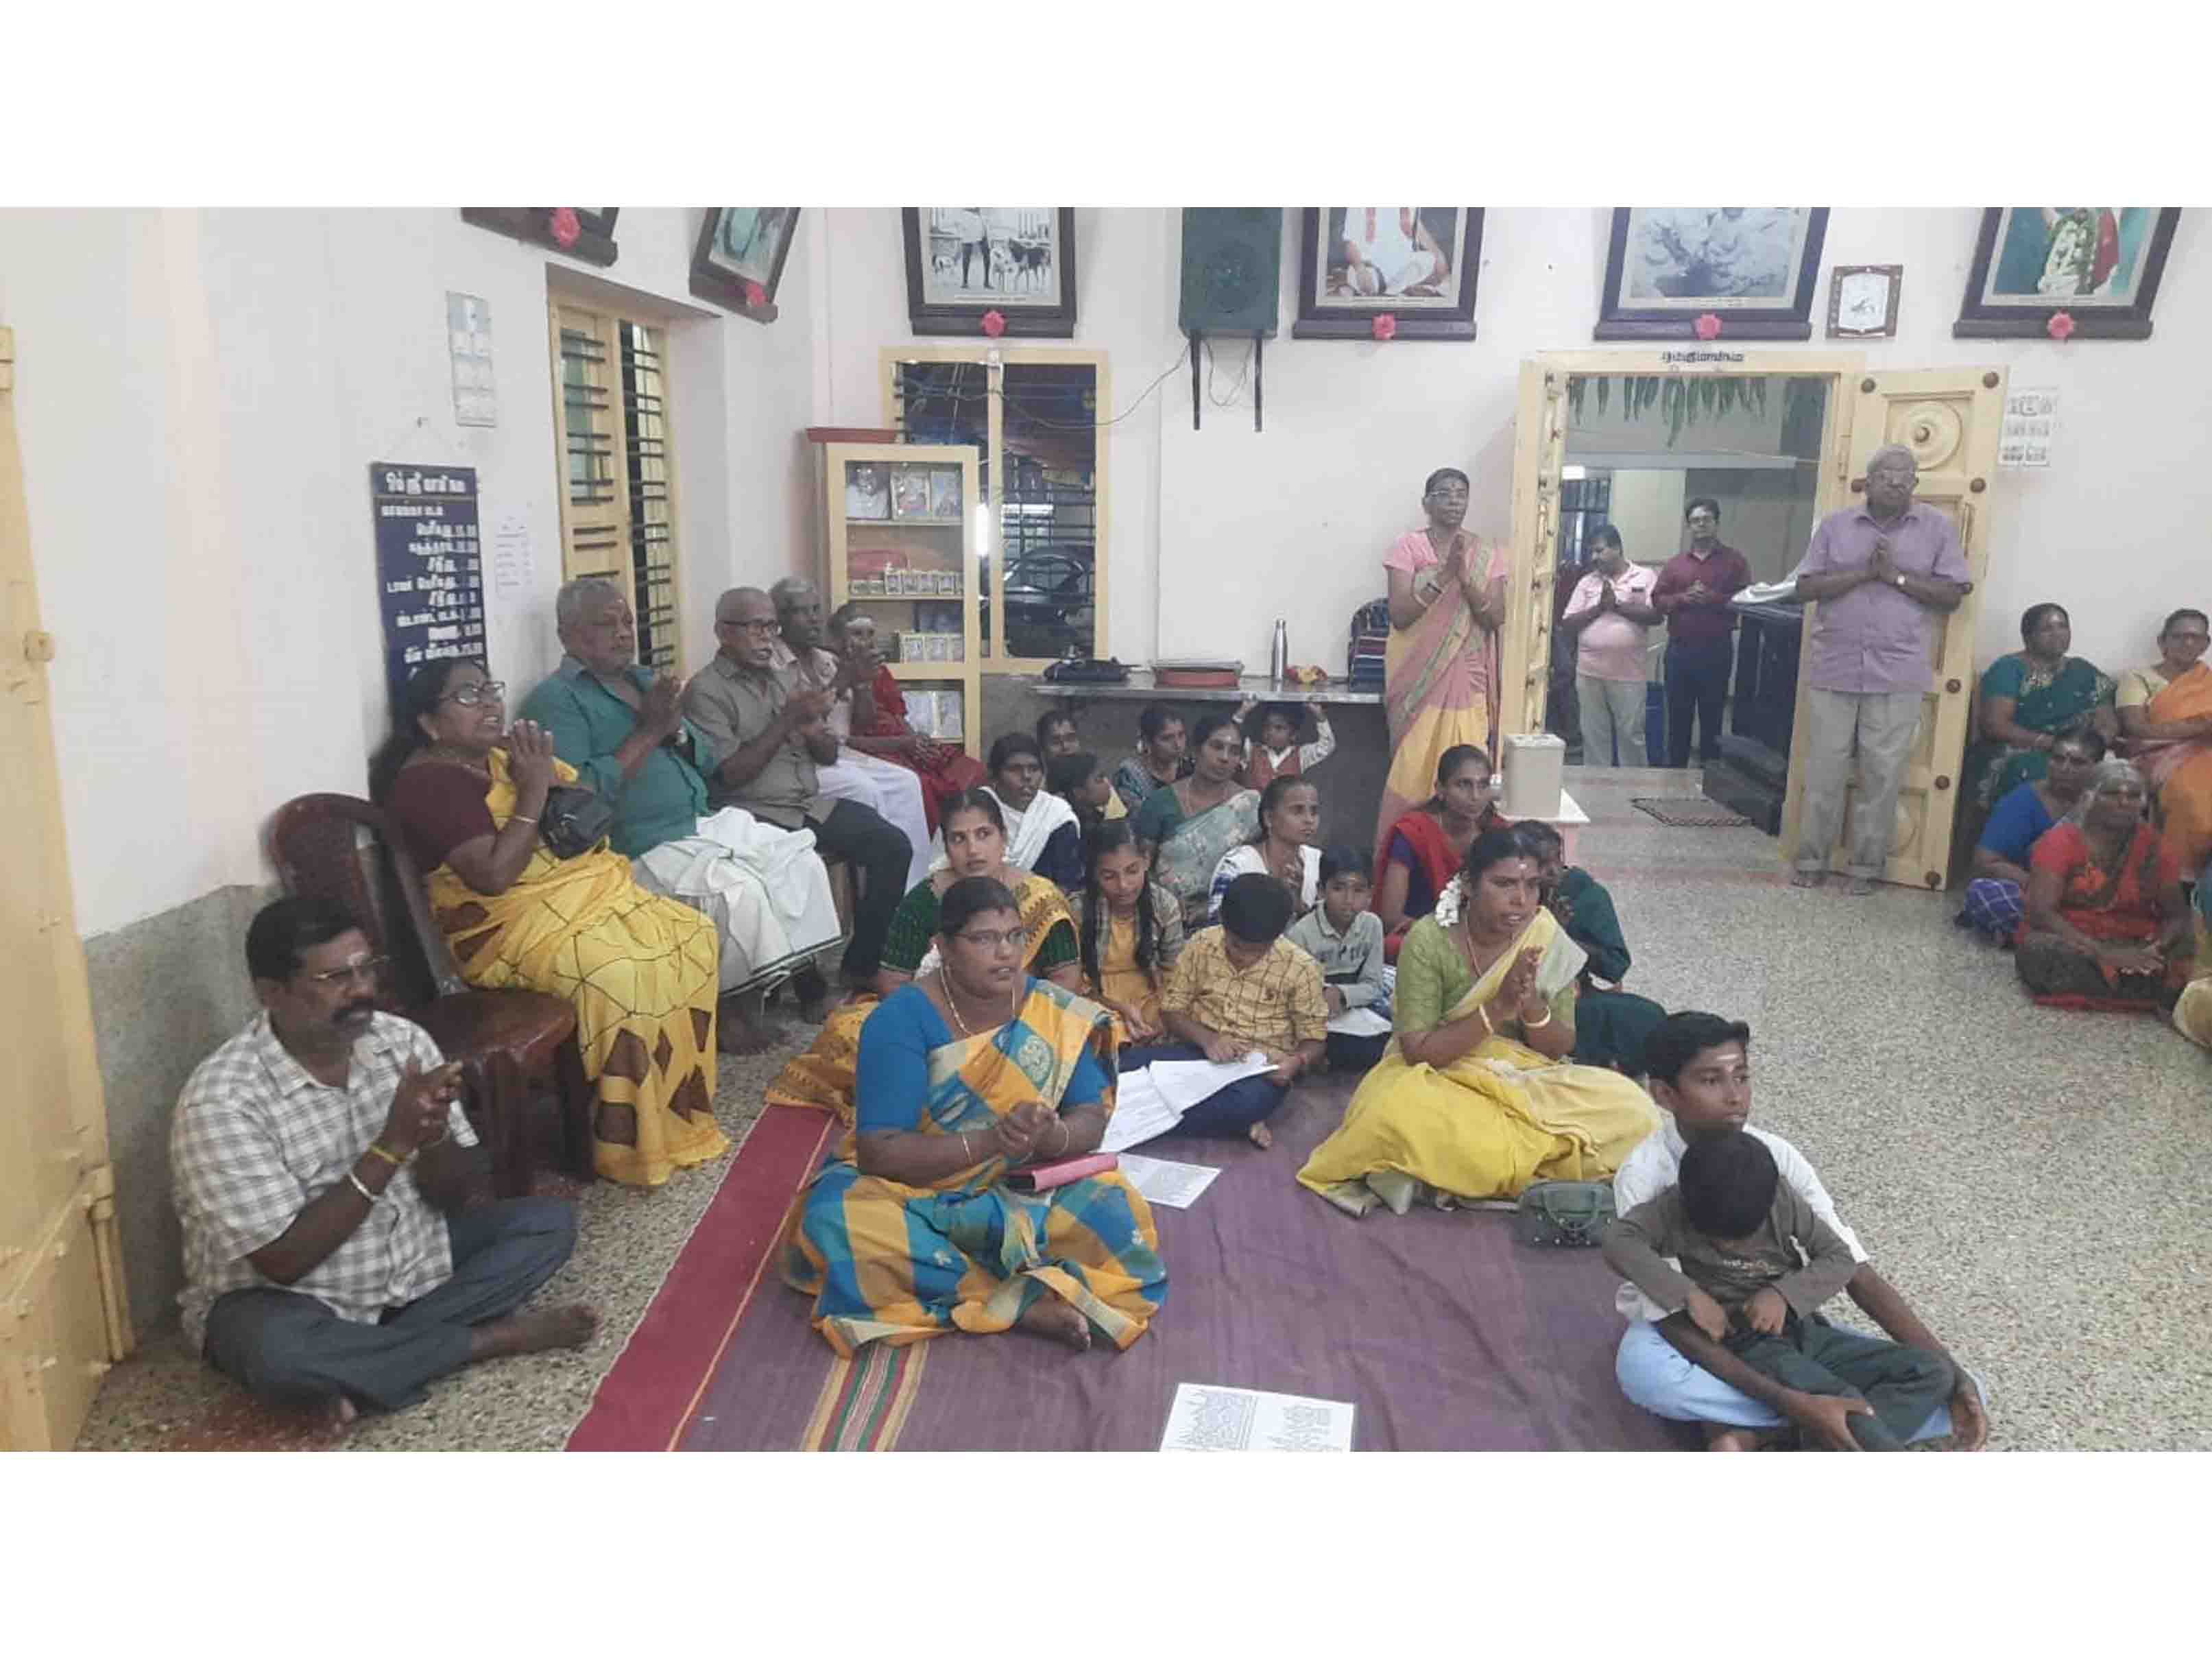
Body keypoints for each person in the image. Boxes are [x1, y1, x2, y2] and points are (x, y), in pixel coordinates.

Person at [169, 898, 596, 1426]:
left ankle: (359, 1365)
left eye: (366, 968)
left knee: (548, 1225)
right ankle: (485, 1340)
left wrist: (434, 1137)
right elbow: (283, 1260)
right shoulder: (223, 1101)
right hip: (291, 1298)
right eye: (335, 978)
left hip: (407, 1263)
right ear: (271, 993)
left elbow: (454, 1197)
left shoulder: (401, 1041)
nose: (361, 990)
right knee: (276, 1348)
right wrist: (391, 1146)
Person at [374, 660, 729, 1187]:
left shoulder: (502, 757)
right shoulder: (427, 783)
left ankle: (675, 1112)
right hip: (501, 932)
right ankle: (625, 1136)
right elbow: (494, 876)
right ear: (428, 722)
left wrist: (547, 782)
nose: (489, 703)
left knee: (690, 934)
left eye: (490, 689)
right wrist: (534, 791)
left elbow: (581, 805)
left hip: (566, 902)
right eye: (467, 695)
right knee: (619, 974)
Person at [782, 876, 1167, 1356]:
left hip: (1026, 1191)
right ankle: (1019, 1304)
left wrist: (1052, 1137)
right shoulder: (900, 1018)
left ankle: (972, 1285)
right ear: (943, 947)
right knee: (837, 1222)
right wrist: (991, 1142)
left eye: (1015, 936)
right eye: (984, 939)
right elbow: (879, 1153)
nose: (1005, 952)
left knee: (1115, 1205)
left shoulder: (1050, 1010)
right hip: (918, 1195)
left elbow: (1090, 1117)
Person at [1612, 1012, 1986, 1451]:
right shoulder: (1646, 1176)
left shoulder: (1776, 1158)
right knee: (1646, 1374)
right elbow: (1671, 1317)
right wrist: (1789, 1400)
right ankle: (1816, 1423)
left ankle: (1771, 1435)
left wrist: (1956, 1377)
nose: (1735, 1097)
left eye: (1742, 1077)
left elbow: (1851, 1265)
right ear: (1664, 1094)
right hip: (1697, 1333)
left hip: (1787, 1328)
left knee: (1954, 1382)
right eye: (1712, 1081)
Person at [515, 578, 841, 1053]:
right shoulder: (556, 700)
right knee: (738, 893)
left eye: (628, 622)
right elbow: (576, 797)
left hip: (698, 821)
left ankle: (759, 994)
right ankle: (727, 1009)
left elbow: (705, 758)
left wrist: (675, 731)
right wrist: (649, 731)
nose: (623, 633)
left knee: (799, 860)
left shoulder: (643, 681)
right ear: (568, 635)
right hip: (637, 842)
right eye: (606, 624)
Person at [1296, 830, 1657, 1217]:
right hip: (1435, 1076)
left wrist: (1530, 1002)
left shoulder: (1545, 934)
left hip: (1523, 1075)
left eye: (1531, 886)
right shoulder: (1429, 940)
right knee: (1392, 1114)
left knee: (1634, 1109)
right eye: (1504, 884)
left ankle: (1488, 1167)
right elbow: (1417, 1050)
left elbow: (1558, 1049)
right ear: (1469, 884)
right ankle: (1537, 1163)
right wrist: (1497, 1007)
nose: (1521, 900)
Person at [1604, 1129, 1954, 1453]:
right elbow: (1618, 1240)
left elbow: (1839, 1258)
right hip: (1750, 1344)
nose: (1732, 1248)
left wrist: (1783, 1295)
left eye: (1746, 1236)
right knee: (1844, 1402)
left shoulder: (1782, 1198)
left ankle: (1792, 1441)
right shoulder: (1670, 1208)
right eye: (1717, 1239)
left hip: (1806, 1330)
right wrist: (1688, 1294)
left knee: (1935, 1372)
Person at [766, 790, 1082, 1120]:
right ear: (946, 846)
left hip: (1022, 1016)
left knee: (1065, 1039)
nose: (973, 850)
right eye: (959, 839)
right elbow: (893, 981)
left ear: (1003, 838)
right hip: (941, 1017)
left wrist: (1012, 1025)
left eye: (983, 834)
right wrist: (941, 1027)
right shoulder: (927, 899)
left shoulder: (1038, 896)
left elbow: (1066, 978)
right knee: (853, 1030)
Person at [681, 586, 913, 997]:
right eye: (755, 627)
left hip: (806, 803)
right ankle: (808, 983)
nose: (766, 638)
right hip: (750, 812)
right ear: (723, 632)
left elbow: (826, 755)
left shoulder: (783, 679)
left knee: (892, 845)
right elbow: (730, 775)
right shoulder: (706, 690)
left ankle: (861, 965)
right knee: (798, 864)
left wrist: (815, 730)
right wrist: (788, 719)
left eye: (771, 627)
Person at [1789, 444, 1973, 894]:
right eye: (1886, 475)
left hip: (1898, 671)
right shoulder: (1835, 526)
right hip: (1835, 667)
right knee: (1824, 772)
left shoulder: (1936, 528)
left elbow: (1953, 595)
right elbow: (1805, 587)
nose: (1895, 482)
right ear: (1867, 482)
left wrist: (1895, 577)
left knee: (1882, 776)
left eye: (1905, 476)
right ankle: (1811, 861)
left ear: (1915, 484)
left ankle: (1866, 869)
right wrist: (1863, 574)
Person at [1125, 873, 1328, 1149]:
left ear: (1276, 937)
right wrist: (1208, 1040)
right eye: (1236, 946)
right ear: (1223, 922)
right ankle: (1222, 1121)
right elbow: (1171, 1012)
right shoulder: (1202, 945)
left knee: (1246, 1103)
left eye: (1257, 951)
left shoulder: (1302, 969)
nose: (1244, 957)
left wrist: (1296, 1062)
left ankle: (1147, 1113)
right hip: (1197, 1053)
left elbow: (1315, 1041)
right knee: (1125, 1067)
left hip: (1256, 1072)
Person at [1376, 467, 1508, 864]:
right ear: (1427, 502)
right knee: (1412, 772)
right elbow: (1400, 615)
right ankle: (1402, 863)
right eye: (1445, 493)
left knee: (1468, 771)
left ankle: (1469, 865)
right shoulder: (1408, 547)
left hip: (1467, 679)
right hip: (1419, 682)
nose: (1454, 500)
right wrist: (1444, 575)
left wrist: (1465, 580)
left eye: (1461, 493)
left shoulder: (1485, 552)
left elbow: (1495, 617)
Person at [769, 577, 933, 887]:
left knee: (906, 783)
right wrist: (845, 678)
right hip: (801, 760)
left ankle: (913, 890)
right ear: (780, 618)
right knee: (864, 789)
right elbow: (803, 718)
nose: (814, 619)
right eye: (803, 612)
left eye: (816, 609)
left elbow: (864, 720)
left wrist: (863, 683)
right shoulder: (772, 662)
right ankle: (872, 891)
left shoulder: (826, 660)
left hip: (840, 754)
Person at [2018, 758, 2192, 1010]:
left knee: (2188, 949)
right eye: (2112, 794)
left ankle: (2133, 982)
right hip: (2075, 938)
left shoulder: (2155, 848)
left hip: (2136, 939)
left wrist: (2156, 948)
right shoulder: (2060, 841)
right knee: (2039, 950)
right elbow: (2041, 913)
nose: (2124, 802)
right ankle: (2142, 988)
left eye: (2133, 796)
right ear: (2088, 798)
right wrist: (2102, 952)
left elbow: (2176, 915)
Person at [1511, 821, 1663, 1075]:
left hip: (1573, 997)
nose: (1553, 870)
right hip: (1513, 1001)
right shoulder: (1508, 895)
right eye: (1542, 864)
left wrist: (1562, 936)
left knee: (1646, 1017)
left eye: (1557, 859)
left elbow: (1615, 966)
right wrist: (1542, 929)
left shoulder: (1583, 895)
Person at [825, 602, 987, 833]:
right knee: (923, 786)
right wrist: (904, 743)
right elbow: (852, 737)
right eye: (857, 634)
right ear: (839, 639)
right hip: (874, 751)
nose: (866, 641)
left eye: (870, 634)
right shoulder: (833, 672)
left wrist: (918, 740)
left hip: (902, 743)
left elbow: (898, 715)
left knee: (969, 770)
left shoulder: (881, 671)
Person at [1962, 604, 2119, 813]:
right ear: (2027, 637)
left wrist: (2092, 746)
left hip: (2081, 750)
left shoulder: (2082, 670)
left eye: (2063, 626)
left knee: (2115, 776)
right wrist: (2050, 743)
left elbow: (2108, 721)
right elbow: (1995, 725)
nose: (2057, 634)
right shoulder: (2009, 668)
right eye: (2047, 629)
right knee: (2041, 772)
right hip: (2020, 749)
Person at [1958, 729, 2103, 942]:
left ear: (2098, 768)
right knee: (1986, 896)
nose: (2064, 769)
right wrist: (2046, 887)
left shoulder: (2108, 801)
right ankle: (2071, 936)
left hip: (2090, 895)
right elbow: (1985, 863)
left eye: (2078, 763)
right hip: (2035, 891)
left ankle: (2051, 936)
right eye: (2058, 759)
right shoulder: (2022, 801)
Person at [1373, 743, 1509, 957]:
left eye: (1483, 785)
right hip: (1424, 935)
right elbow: (1391, 917)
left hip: (1481, 936)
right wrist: (1446, 937)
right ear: (1440, 790)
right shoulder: (1413, 832)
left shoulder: (1497, 832)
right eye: (1464, 785)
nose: (1475, 796)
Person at [1131, 713, 1260, 927]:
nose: (1225, 758)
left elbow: (1258, 873)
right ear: (1196, 750)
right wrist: (1167, 905)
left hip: (1231, 921)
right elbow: (1142, 868)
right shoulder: (1159, 804)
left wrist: (1214, 907)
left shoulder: (1250, 807)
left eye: (1234, 751)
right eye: (1217, 747)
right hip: (1167, 920)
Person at [1650, 499, 1752, 769]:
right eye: (1695, 521)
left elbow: (1746, 599)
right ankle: (1674, 778)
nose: (1701, 525)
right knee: (1678, 718)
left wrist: (1712, 598)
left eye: (1706, 519)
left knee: (1712, 718)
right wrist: (1683, 598)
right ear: (1689, 526)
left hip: (1716, 651)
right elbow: (1658, 600)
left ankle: (1709, 779)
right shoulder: (1675, 565)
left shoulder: (1734, 561)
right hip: (1680, 651)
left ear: (1716, 523)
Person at [2115, 608, 2212, 879]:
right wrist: (2201, 726)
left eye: (2196, 637)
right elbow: (2136, 728)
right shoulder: (2138, 678)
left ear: (2206, 644)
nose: (2188, 643)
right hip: (2161, 755)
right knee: (2190, 799)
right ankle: (2183, 878)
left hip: (2207, 751)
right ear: (2162, 641)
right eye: (2179, 636)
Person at [1076, 820, 1185, 1044]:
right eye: (1109, 877)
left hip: (1150, 1000)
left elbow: (1173, 973)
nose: (1123, 885)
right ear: (1094, 874)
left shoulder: (1164, 905)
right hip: (1096, 1000)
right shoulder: (1078, 910)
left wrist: (1162, 1015)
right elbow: (1072, 983)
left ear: (1146, 861)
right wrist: (1116, 1008)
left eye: (1132, 871)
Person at [1559, 525, 1659, 767]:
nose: (1594, 557)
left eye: (1599, 551)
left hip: (1628, 675)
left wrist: (1617, 606)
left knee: (1631, 737)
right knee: (1594, 738)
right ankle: (1596, 787)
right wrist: (1599, 608)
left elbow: (1656, 616)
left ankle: (1633, 787)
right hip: (1589, 674)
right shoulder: (1587, 582)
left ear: (1618, 549)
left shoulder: (1645, 577)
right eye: (1591, 552)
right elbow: (1568, 623)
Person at [1286, 845, 1391, 1073]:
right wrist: (1322, 999)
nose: (1348, 900)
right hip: (1315, 1017)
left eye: (1359, 891)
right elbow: (1293, 996)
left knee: (1390, 1039)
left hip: (1354, 1012)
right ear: (1321, 890)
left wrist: (1343, 995)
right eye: (1338, 888)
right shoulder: (1301, 935)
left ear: (1370, 894)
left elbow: (1373, 985)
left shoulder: (1372, 925)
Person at [1209, 774, 1322, 922]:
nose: (1309, 820)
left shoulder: (1319, 861)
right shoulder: (1237, 865)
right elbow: (1218, 926)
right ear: (1269, 818)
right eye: (1297, 811)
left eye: (1314, 812)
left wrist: (1299, 905)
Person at [984, 732, 1083, 887]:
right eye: (1015, 769)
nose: (1027, 776)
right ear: (995, 774)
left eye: (1034, 769)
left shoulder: (1055, 815)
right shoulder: (978, 808)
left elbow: (1066, 883)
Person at [1336, 208, 1448, 296]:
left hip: (1404, 264)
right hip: (1372, 267)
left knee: (1430, 260)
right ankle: (1405, 289)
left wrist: (1438, 255)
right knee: (1365, 279)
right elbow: (1350, 243)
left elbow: (1416, 227)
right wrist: (1360, 269)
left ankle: (1397, 290)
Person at [1112, 703, 1194, 816]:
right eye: (1167, 738)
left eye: (1181, 735)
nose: (1178, 745)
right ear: (1147, 742)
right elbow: (1136, 820)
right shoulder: (1129, 777)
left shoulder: (1191, 768)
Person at [1239, 700, 1336, 791]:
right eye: (1267, 726)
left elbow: (1327, 745)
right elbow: (1233, 739)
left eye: (1279, 728)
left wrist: (1319, 715)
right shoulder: (1250, 750)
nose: (1270, 732)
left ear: (1293, 735)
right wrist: (1242, 712)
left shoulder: (1301, 755)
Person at [1047, 750, 1120, 846]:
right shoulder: (1072, 833)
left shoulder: (1097, 818)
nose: (1108, 784)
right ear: (1078, 792)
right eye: (1099, 779)